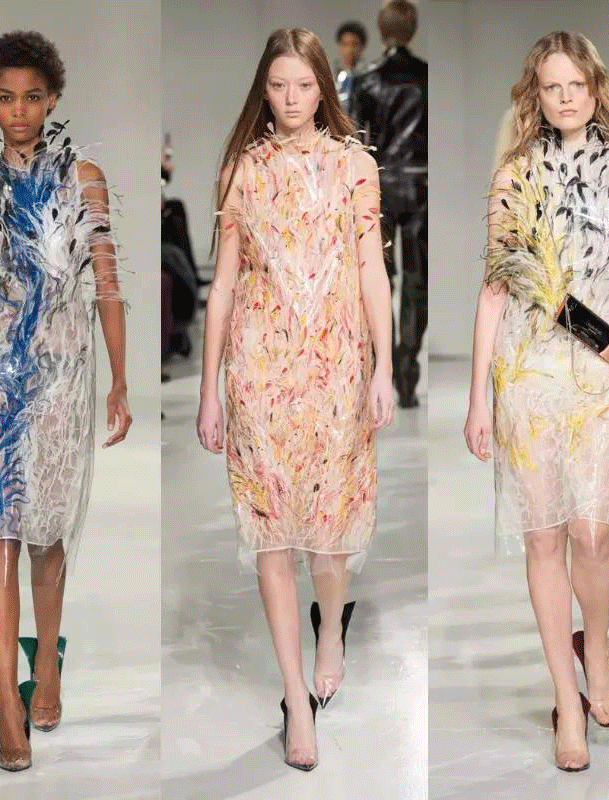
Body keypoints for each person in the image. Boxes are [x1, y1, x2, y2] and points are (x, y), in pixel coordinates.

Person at [464, 31, 609, 771]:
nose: (566, 98)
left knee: (593, 534)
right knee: (545, 537)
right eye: (552, 87)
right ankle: (565, 698)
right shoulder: (514, 176)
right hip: (529, 374)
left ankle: (598, 648)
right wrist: (479, 397)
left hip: (603, 381)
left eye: (576, 84)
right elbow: (499, 289)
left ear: (595, 87)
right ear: (536, 96)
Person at [196, 28, 394, 771]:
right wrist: (211, 389)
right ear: (264, 88)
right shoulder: (242, 170)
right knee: (272, 534)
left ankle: (331, 628)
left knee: (329, 531)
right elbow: (223, 286)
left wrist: (382, 368)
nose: (289, 100)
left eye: (304, 85)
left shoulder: (354, 167)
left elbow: (372, 270)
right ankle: (295, 698)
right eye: (277, 86)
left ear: (323, 87)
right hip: (258, 371)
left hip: (337, 367)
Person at [0, 31, 131, 772]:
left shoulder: (85, 181)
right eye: (6, 98)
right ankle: (8, 709)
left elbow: (105, 286)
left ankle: (46, 659)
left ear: (53, 100)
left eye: (32, 97)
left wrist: (119, 380)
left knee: (47, 533)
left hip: (61, 377)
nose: (19, 111)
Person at [352, 0, 427, 407]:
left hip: (378, 187)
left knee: (381, 278)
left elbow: (354, 142)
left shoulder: (366, 80)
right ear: (412, 30)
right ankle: (408, 373)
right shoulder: (426, 77)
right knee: (417, 282)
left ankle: (387, 367)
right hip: (420, 188)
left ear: (381, 31)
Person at [333, 21, 367, 114]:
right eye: (345, 44)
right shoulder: (332, 79)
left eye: (354, 44)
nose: (349, 50)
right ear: (338, 46)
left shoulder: (369, 80)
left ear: (362, 46)